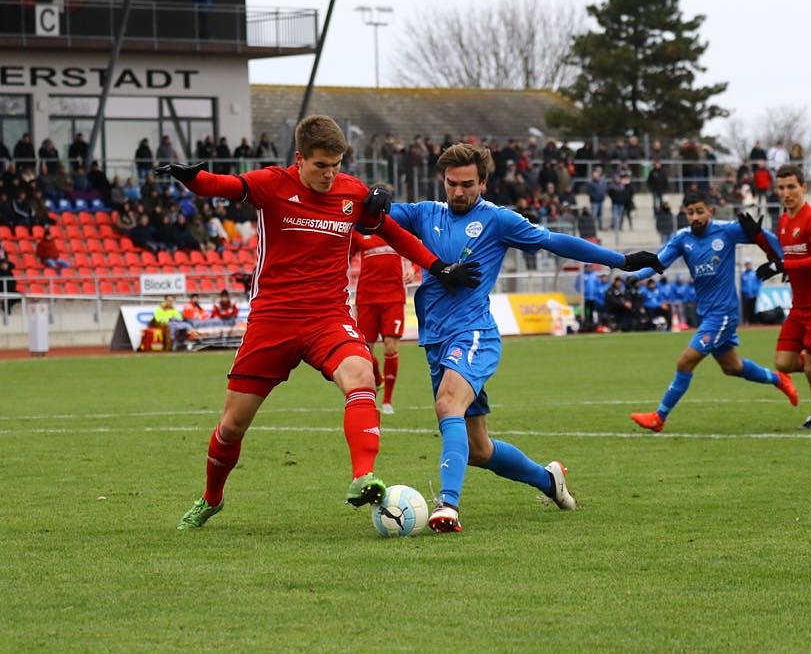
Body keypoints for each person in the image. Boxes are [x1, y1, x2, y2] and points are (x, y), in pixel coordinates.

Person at [155, 114, 482, 530]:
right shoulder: (273, 183)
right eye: (321, 166)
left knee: (361, 374)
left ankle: (363, 476)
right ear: (299, 159)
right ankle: (211, 498)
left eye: (336, 165)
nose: (330, 174)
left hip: (328, 316)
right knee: (232, 425)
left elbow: (393, 232)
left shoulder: (351, 192)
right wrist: (193, 178)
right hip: (273, 319)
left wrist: (438, 267)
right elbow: (226, 186)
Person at [383, 142, 663, 532]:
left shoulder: (498, 220)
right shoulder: (425, 214)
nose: (458, 192)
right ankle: (549, 480)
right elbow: (368, 214)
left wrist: (621, 260)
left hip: (474, 333)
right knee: (479, 450)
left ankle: (447, 505)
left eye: (467, 184)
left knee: (448, 405)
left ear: (483, 183)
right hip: (436, 339)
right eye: (452, 184)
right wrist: (374, 196)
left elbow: (553, 241)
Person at [628, 192, 798, 433]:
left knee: (686, 361)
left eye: (700, 211)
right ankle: (779, 378)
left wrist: (783, 260)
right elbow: (658, 262)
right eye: (690, 212)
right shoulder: (682, 238)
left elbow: (763, 236)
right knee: (732, 367)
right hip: (706, 313)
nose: (695, 217)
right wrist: (634, 277)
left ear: (711, 211)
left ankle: (659, 417)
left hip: (723, 313)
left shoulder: (726, 231)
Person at [755, 164, 811, 430]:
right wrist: (759, 239)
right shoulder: (784, 220)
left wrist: (783, 265)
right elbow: (787, 257)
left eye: (791, 187)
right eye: (781, 188)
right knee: (783, 362)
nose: (786, 193)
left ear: (803, 187)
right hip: (800, 306)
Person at [350, 217, 410, 415]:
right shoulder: (359, 231)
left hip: (393, 297)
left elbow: (413, 249)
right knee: (365, 350)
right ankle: (377, 378)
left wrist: (412, 269)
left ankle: (387, 401)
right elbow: (345, 256)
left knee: (391, 346)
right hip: (366, 298)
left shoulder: (396, 229)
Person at [740, 259, 760, 325]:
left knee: (752, 308)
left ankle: (753, 321)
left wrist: (756, 290)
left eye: (749, 264)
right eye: (747, 264)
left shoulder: (755, 273)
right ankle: (746, 321)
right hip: (745, 295)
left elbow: (759, 282)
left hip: (754, 294)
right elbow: (741, 284)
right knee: (746, 309)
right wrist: (743, 291)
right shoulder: (743, 274)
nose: (748, 266)